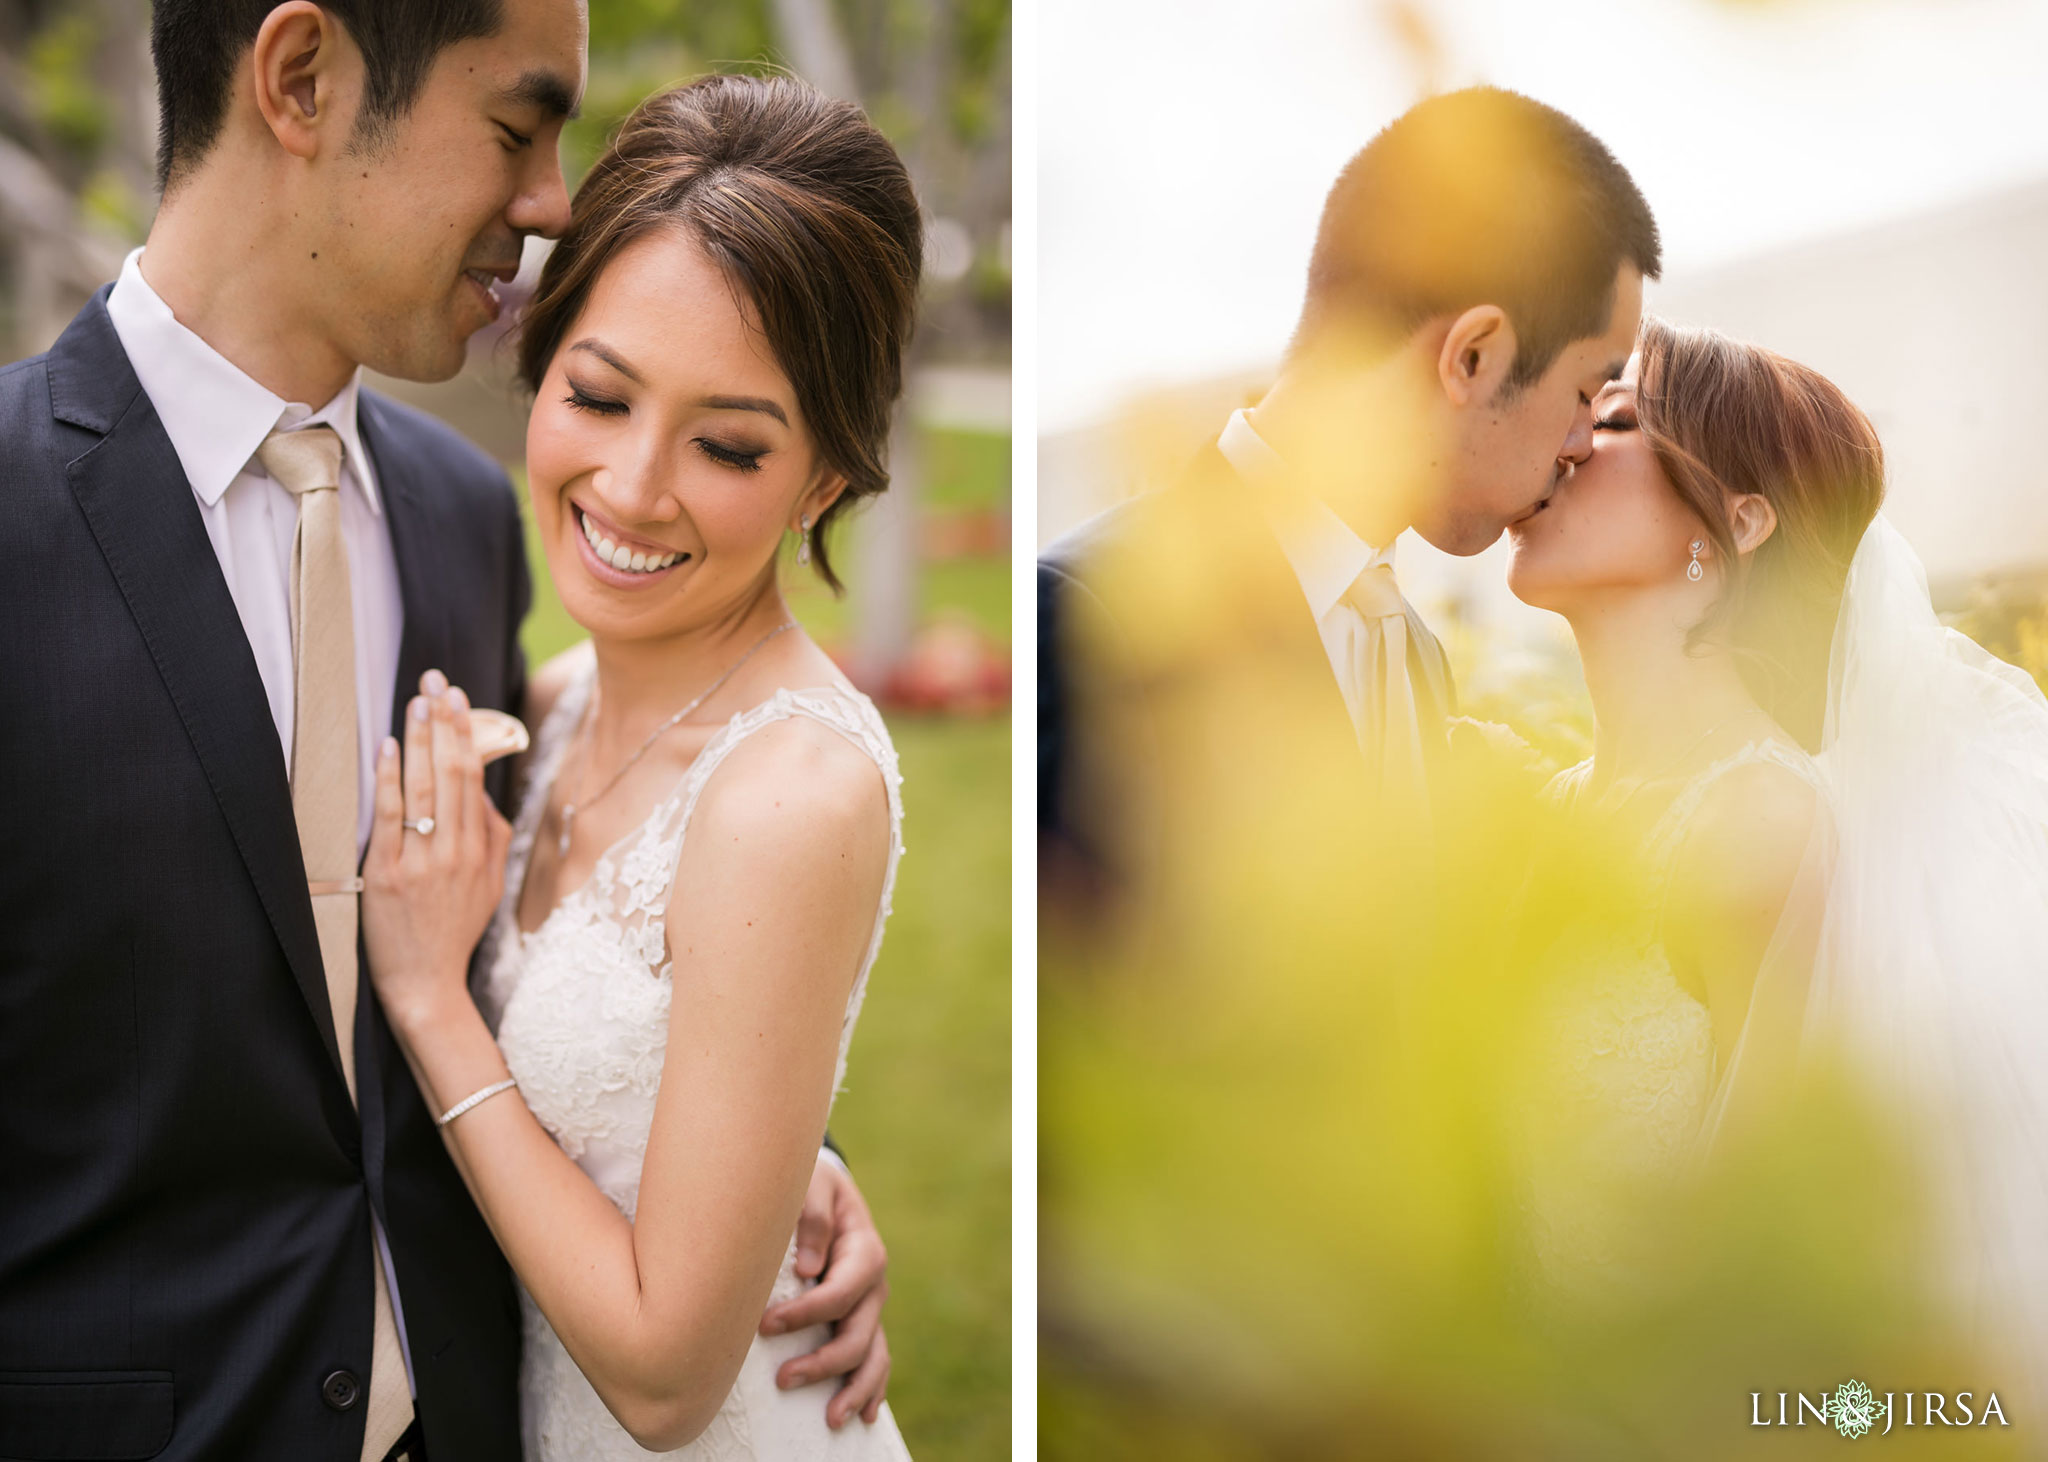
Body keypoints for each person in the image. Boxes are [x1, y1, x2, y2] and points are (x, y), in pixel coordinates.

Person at [0, 6, 891, 1459]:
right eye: (513, 127)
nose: (550, 198)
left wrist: (780, 1158)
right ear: (303, 81)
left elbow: (562, 924)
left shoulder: (466, 523)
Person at [356, 75, 920, 1459]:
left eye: (729, 443)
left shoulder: (794, 792)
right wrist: (801, 1164)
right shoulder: (543, 708)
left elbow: (669, 1379)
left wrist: (434, 1001)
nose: (633, 485)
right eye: (599, 395)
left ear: (824, 482)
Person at [1506, 316, 2048, 1389]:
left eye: (1612, 419)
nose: (1562, 445)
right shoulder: (1551, 802)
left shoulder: (1755, 821)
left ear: (1732, 521)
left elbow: (1739, 1236)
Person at [1037, 86, 1660, 922]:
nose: (1586, 439)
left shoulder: (1417, 661)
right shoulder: (1096, 621)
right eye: (1588, 389)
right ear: (1473, 357)